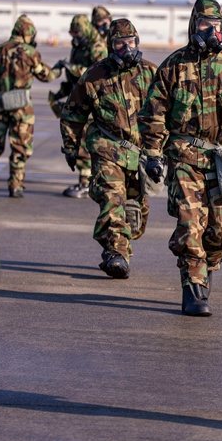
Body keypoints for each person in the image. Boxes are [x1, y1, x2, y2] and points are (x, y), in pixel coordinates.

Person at [138, 0, 222, 316]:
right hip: (185, 158)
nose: (212, 32)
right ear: (192, 26)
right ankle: (193, 287)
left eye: (217, 26)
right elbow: (153, 113)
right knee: (189, 224)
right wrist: (154, 154)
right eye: (205, 25)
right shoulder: (173, 66)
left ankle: (208, 265)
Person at [59, 18, 157, 278]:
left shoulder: (151, 73)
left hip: (141, 155)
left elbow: (167, 114)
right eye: (119, 43)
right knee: (112, 200)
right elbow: (72, 114)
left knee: (136, 209)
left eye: (131, 42)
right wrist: (71, 148)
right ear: (110, 45)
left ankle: (121, 244)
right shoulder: (94, 76)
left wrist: (163, 151)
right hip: (107, 149)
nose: (126, 48)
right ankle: (117, 254)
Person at [0, 14, 61, 198]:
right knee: (20, 147)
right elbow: (45, 75)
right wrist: (57, 69)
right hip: (21, 108)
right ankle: (15, 185)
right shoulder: (29, 52)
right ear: (29, 34)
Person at [52, 14, 109, 198]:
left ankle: (86, 183)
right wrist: (62, 93)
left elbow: (97, 72)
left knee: (86, 140)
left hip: (93, 99)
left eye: (78, 35)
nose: (75, 39)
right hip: (79, 97)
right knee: (77, 138)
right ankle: (87, 180)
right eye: (73, 35)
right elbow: (75, 78)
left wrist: (72, 68)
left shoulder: (97, 47)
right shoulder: (79, 47)